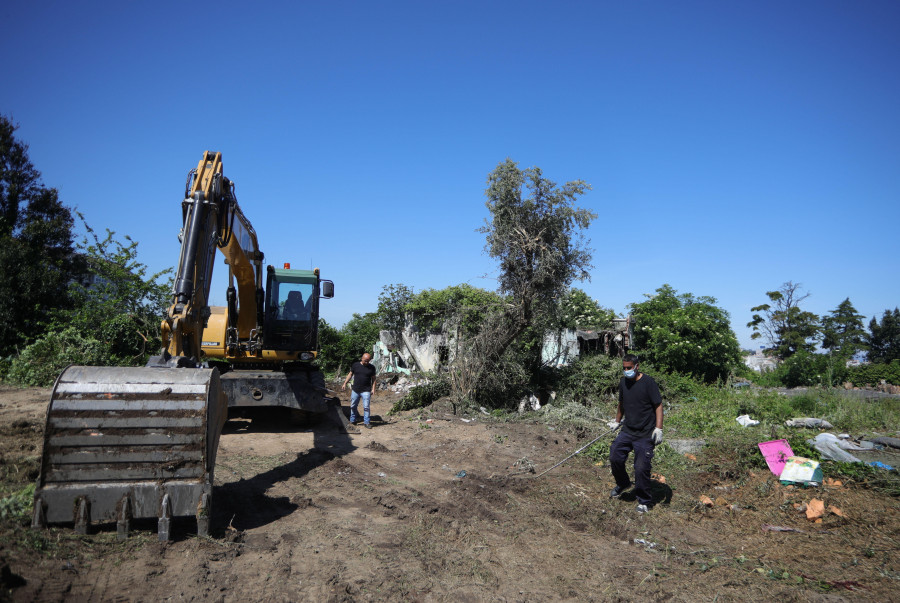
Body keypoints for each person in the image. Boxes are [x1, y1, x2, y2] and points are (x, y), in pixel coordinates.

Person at [607, 353, 663, 513]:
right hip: (628, 430)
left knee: (641, 467)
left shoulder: (648, 383)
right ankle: (624, 483)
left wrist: (659, 428)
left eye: (629, 368)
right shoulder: (623, 382)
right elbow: (621, 403)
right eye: (624, 368)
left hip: (645, 433)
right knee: (615, 455)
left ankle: (644, 500)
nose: (626, 371)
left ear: (637, 366)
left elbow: (658, 406)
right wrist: (617, 421)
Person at [342, 353, 377, 429]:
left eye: (368, 361)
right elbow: (350, 374)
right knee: (353, 406)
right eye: (365, 361)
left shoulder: (372, 368)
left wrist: (373, 389)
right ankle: (352, 420)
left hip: (366, 390)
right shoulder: (355, 365)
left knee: (366, 407)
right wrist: (345, 383)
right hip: (356, 390)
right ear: (362, 358)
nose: (367, 362)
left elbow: (374, 379)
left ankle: (366, 422)